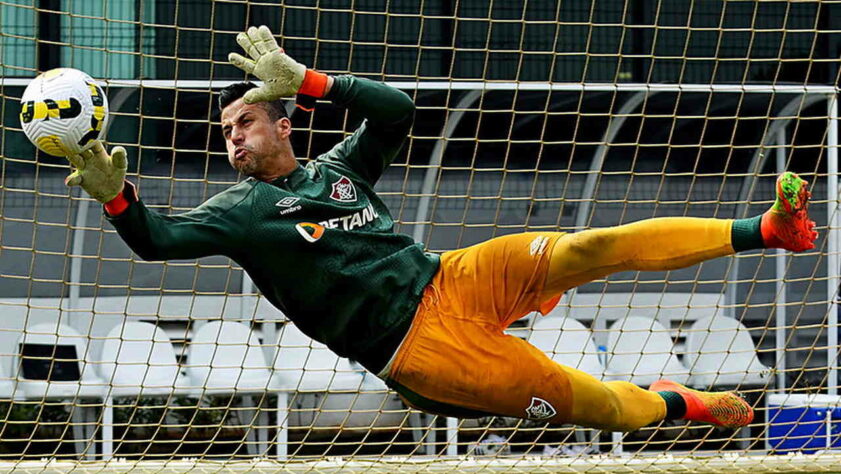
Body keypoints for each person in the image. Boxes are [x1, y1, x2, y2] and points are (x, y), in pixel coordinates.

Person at [63, 25, 817, 432]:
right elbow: (158, 240)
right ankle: (677, 403)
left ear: (284, 120)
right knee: (596, 403)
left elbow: (397, 112)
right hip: (419, 350)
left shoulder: (338, 169)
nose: (233, 140)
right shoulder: (240, 212)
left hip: (448, 275)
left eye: (245, 122)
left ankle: (767, 228)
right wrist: (118, 197)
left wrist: (318, 79)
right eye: (225, 131)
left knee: (587, 247)